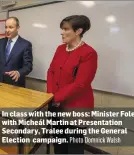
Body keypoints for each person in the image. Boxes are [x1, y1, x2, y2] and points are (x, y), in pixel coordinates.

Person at [47, 15, 97, 154]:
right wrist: (51, 95)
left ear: (78, 31)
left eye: (65, 29)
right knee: (58, 141)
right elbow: (51, 71)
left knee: (73, 146)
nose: (61, 32)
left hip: (76, 107)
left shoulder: (89, 53)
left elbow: (81, 84)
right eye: (61, 29)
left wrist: (55, 98)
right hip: (56, 104)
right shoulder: (60, 49)